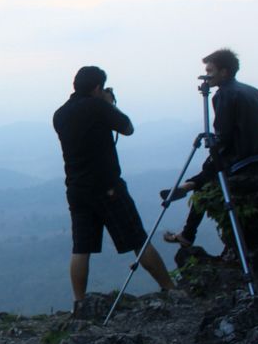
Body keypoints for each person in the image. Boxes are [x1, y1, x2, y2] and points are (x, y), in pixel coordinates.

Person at [53, 66, 175, 310]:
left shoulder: (60, 114)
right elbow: (127, 128)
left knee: (81, 247)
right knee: (138, 239)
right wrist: (109, 104)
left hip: (77, 188)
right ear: (98, 88)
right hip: (107, 186)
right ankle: (170, 289)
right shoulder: (98, 107)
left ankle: (79, 303)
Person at [162, 49, 258, 249]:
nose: (206, 75)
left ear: (224, 72)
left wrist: (211, 162)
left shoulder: (223, 95)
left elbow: (223, 137)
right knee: (211, 167)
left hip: (243, 158)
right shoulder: (253, 91)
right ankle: (188, 187)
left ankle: (188, 219)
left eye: (210, 70)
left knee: (207, 182)